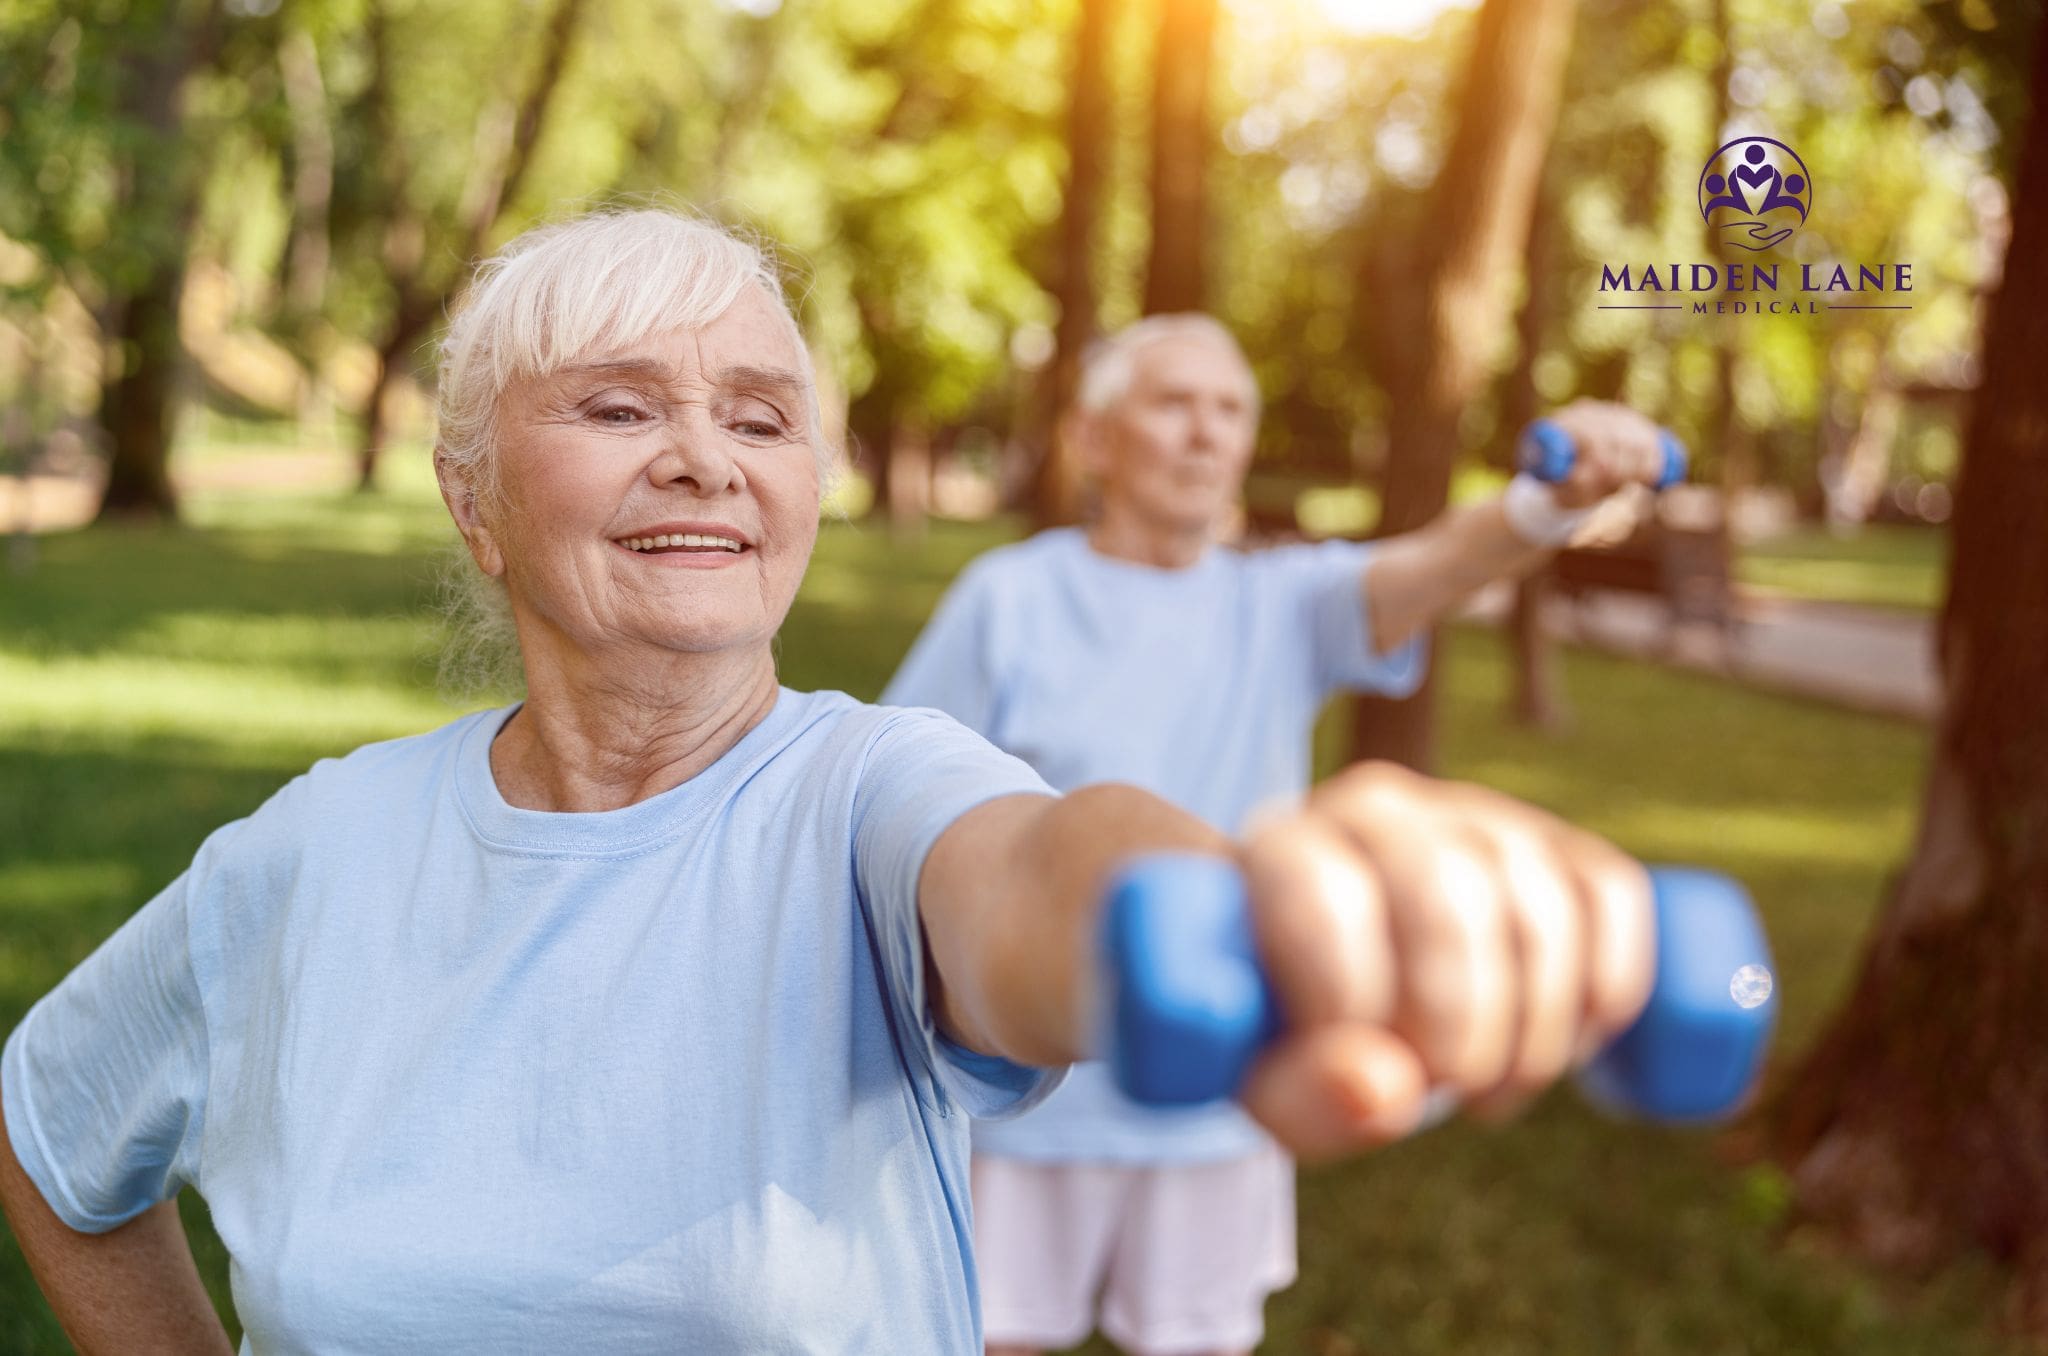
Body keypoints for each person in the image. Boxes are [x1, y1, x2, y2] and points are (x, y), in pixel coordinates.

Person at [1, 210, 1655, 1355]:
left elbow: (1029, 871)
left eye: (760, 416)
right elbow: (51, 1125)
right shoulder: (314, 849)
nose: (704, 454)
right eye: (617, 404)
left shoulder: (867, 795)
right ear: (474, 500)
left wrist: (1220, 902)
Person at [884, 313, 1671, 1356]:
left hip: (1224, 1082)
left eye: (1228, 410)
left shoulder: (1278, 603)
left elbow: (1431, 567)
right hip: (1033, 1090)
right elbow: (905, 807)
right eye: (1172, 404)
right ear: (1094, 438)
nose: (1204, 434)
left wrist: (1545, 503)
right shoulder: (1010, 597)